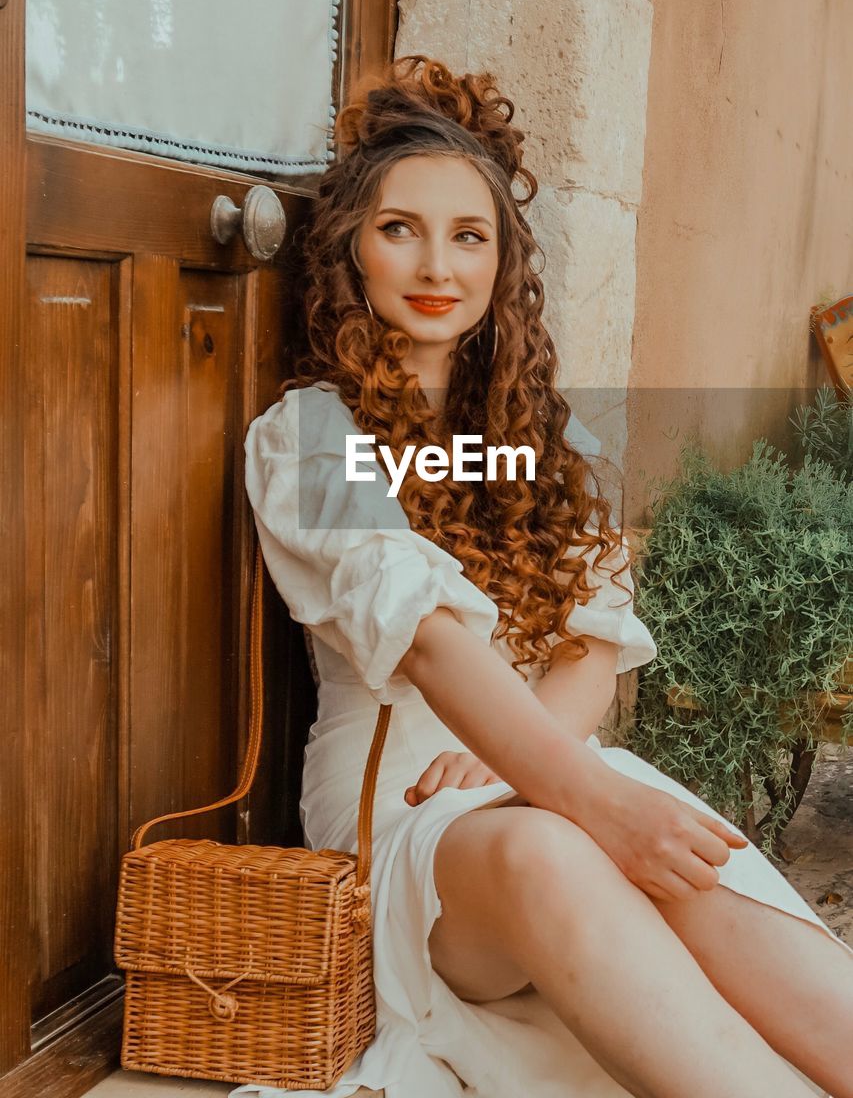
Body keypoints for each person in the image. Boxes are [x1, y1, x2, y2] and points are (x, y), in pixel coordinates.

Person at [235, 56, 853, 1098]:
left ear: (501, 261)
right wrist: (590, 798)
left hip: (547, 771)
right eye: (399, 229)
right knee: (557, 854)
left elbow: (595, 650)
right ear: (350, 251)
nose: (436, 262)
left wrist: (538, 768)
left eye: (467, 234)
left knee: (723, 903)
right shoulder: (310, 437)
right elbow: (430, 645)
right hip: (403, 815)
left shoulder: (527, 438)